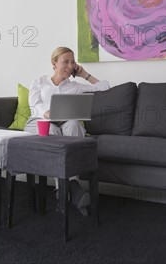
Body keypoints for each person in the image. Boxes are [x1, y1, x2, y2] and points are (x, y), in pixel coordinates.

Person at [24, 46, 110, 215]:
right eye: (66, 61)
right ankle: (70, 187)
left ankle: (64, 191)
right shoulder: (39, 82)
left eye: (72, 62)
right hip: (40, 121)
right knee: (53, 132)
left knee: (73, 123)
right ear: (54, 63)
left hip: (63, 122)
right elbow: (34, 105)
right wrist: (46, 112)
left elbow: (105, 87)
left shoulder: (75, 86)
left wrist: (85, 74)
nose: (70, 66)